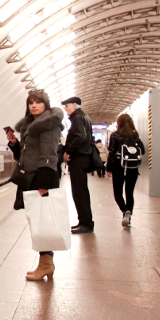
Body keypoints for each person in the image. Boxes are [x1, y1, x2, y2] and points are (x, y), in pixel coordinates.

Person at [7, 89, 65, 281]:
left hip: (40, 178)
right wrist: (15, 144)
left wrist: (44, 183)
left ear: (45, 104)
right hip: (30, 177)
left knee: (42, 223)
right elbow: (25, 154)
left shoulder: (48, 124)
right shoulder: (30, 125)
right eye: (31, 102)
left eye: (38, 102)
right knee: (37, 222)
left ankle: (47, 264)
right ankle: (44, 263)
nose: (33, 105)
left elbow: (49, 154)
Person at [61, 97, 95, 233]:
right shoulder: (84, 117)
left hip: (79, 158)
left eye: (67, 105)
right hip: (84, 157)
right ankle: (85, 221)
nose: (65, 108)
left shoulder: (78, 118)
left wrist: (68, 151)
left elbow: (81, 137)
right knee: (81, 191)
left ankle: (86, 223)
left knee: (79, 191)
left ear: (75, 105)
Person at [106, 113, 145, 228]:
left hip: (119, 167)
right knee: (129, 192)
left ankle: (125, 210)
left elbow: (112, 153)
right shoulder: (135, 135)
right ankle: (128, 219)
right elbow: (142, 150)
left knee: (117, 192)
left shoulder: (115, 135)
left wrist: (109, 168)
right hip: (132, 167)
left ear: (119, 123)